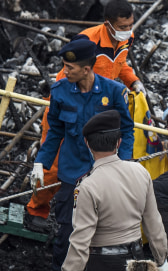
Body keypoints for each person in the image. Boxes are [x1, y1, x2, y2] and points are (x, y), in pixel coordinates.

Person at [50, 110, 168, 271]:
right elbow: (153, 221)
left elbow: (80, 242)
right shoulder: (140, 172)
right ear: (118, 142)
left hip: (105, 267)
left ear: (87, 144)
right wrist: (162, 259)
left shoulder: (88, 186)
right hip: (137, 261)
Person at [25, 0, 145, 228]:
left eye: (130, 24)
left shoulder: (125, 38)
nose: (128, 30)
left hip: (97, 110)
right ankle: (36, 210)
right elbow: (66, 75)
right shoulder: (87, 42)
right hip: (67, 108)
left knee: (90, 163)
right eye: (123, 26)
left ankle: (79, 211)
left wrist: (134, 82)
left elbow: (121, 65)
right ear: (108, 24)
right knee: (54, 164)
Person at [30, 37, 134, 271]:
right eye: (65, 66)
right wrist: (41, 163)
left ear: (87, 69)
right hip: (72, 172)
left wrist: (125, 163)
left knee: (104, 229)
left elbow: (127, 129)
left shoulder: (114, 92)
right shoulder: (60, 92)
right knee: (67, 230)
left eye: (70, 68)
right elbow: (55, 130)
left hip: (105, 173)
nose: (65, 71)